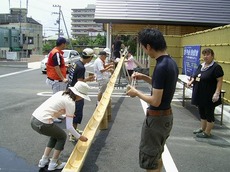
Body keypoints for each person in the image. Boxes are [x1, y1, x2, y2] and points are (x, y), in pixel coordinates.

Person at [126, 28, 179, 172]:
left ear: (148, 46)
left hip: (157, 120)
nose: (145, 50)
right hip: (166, 117)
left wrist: (136, 92)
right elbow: (161, 86)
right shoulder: (171, 62)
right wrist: (144, 78)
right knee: (156, 156)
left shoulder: (161, 66)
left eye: (144, 47)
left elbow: (155, 101)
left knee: (150, 160)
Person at [30, 81, 90, 171]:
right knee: (62, 136)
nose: (81, 99)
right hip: (43, 123)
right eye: (82, 97)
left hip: (34, 119)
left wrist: (64, 115)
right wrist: (79, 137)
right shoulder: (71, 103)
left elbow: (53, 108)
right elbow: (69, 126)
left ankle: (44, 160)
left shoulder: (61, 93)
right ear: (78, 95)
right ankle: (53, 163)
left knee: (55, 136)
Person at [187, 48, 224, 138]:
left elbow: (219, 81)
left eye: (207, 54)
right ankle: (202, 128)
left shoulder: (216, 67)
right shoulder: (201, 66)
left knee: (209, 113)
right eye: (204, 54)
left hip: (209, 95)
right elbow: (196, 76)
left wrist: (217, 93)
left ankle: (207, 132)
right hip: (200, 94)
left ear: (212, 56)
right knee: (201, 112)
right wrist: (191, 81)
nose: (205, 56)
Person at [67, 48, 95, 141]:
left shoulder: (76, 63)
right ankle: (73, 134)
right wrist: (88, 79)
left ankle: (72, 131)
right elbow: (80, 82)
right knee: (76, 113)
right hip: (76, 93)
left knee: (71, 112)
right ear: (90, 57)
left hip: (69, 89)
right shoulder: (81, 67)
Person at [46, 37, 69, 123]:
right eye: (65, 44)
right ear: (62, 44)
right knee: (56, 99)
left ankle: (57, 115)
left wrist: (66, 66)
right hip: (57, 80)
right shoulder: (57, 53)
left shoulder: (54, 51)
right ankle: (53, 116)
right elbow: (56, 67)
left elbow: (58, 65)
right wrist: (63, 78)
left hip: (54, 78)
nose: (65, 45)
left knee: (58, 98)